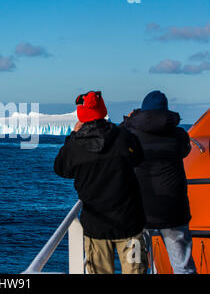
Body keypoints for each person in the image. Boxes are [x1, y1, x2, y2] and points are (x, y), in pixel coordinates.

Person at [54, 91, 148, 274]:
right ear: (102, 110)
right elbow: (138, 158)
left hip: (97, 226)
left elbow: (61, 169)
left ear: (81, 114)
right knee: (136, 270)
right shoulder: (124, 137)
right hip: (129, 223)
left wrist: (72, 136)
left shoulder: (75, 146)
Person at [120, 90, 197, 274]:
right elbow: (185, 151)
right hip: (172, 212)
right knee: (183, 267)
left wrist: (129, 120)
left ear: (142, 111)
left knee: (135, 266)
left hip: (138, 213)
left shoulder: (130, 134)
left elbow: (117, 139)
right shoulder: (178, 135)